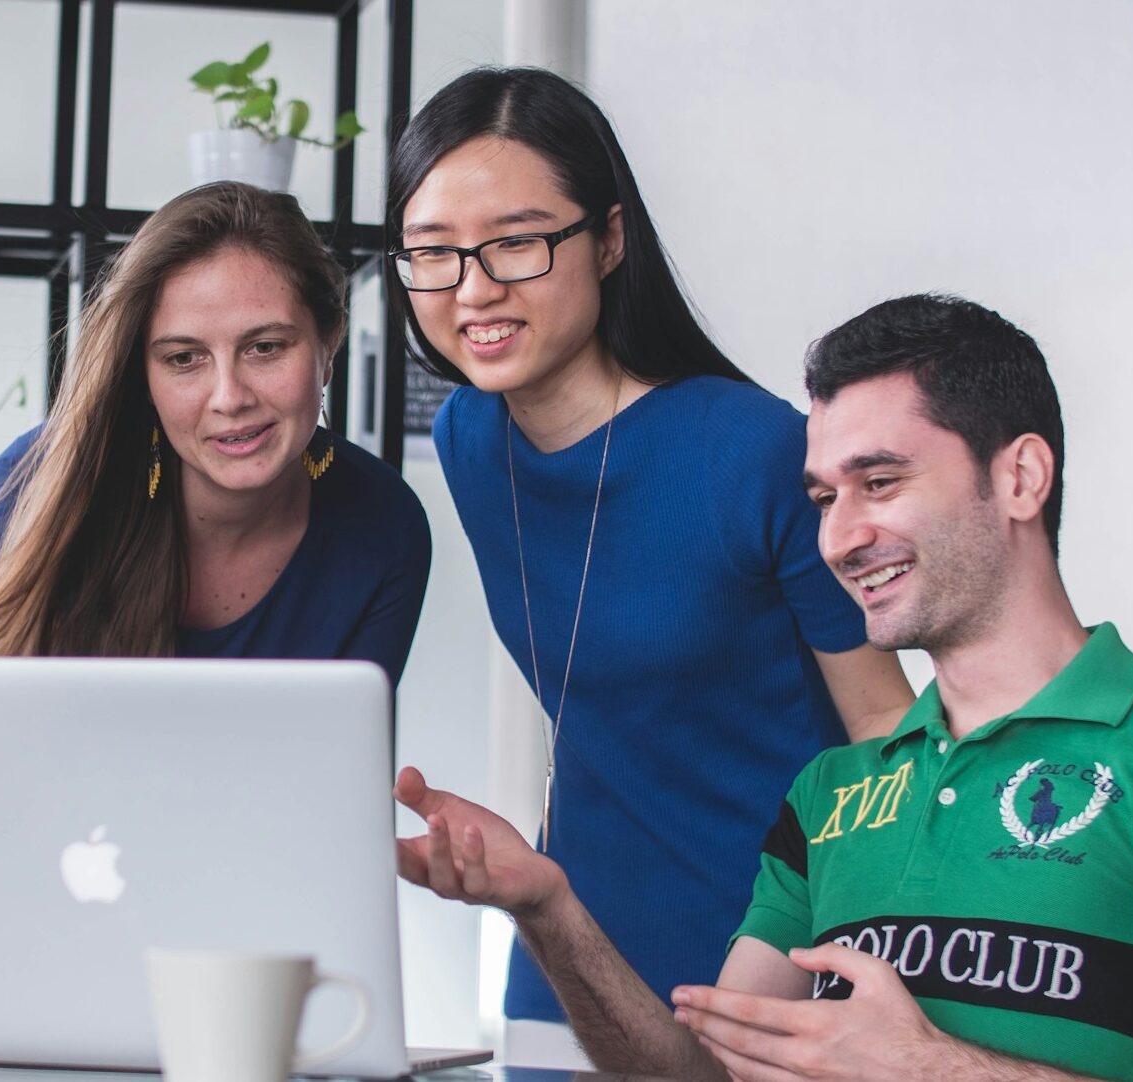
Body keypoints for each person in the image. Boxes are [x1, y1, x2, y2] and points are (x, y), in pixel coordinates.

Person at [394, 294, 1133, 1082]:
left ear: (1021, 477)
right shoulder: (831, 794)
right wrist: (548, 906)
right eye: (826, 498)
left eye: (880, 481)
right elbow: (708, 1075)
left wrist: (930, 1066)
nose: (840, 538)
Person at [384, 66, 914, 1058]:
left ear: (611, 236)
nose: (474, 289)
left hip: (773, 956)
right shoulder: (468, 438)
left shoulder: (753, 450)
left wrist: (866, 957)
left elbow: (884, 728)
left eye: (518, 242)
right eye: (434, 254)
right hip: (567, 947)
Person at [0, 182, 431, 684]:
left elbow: (342, 755)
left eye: (265, 347)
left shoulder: (386, 526)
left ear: (327, 345)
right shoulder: (25, 491)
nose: (229, 396)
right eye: (184, 358)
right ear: (144, 376)